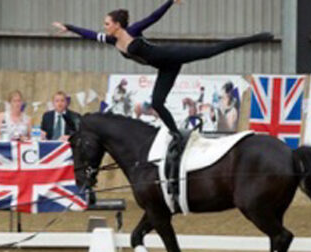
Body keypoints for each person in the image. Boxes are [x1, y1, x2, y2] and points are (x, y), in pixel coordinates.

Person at [52, 0, 273, 202]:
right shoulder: (112, 40)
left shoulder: (133, 31)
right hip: (165, 68)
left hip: (172, 55)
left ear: (118, 25)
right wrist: (69, 27)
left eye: (107, 23)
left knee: (210, 51)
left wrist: (170, 2)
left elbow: (153, 17)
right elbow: (89, 34)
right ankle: (176, 134)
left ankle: (256, 38)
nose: (104, 26)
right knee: (157, 103)